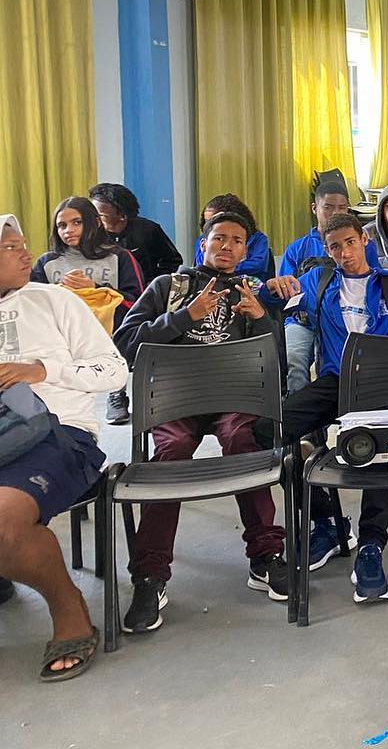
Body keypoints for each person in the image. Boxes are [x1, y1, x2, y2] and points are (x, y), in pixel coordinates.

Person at [111, 212, 289, 632]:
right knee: (170, 454)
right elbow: (125, 343)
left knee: (244, 440)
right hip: (176, 398)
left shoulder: (249, 292)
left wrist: (261, 320)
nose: (227, 246)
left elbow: (276, 362)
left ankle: (265, 556)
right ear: (202, 244)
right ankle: (150, 575)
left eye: (237, 241)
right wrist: (184, 318)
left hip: (232, 397)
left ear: (247, 251)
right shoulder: (168, 287)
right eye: (219, 238)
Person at [0, 214, 126, 681]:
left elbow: (115, 373)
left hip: (59, 435)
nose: (24, 252)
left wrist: (42, 371)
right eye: (10, 247)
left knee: (3, 520)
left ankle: (69, 609)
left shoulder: (55, 300)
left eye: (23, 243)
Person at [281, 213, 388, 603]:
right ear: (327, 250)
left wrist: (369, 368)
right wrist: (274, 287)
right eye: (335, 247)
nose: (344, 252)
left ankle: (371, 546)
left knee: (378, 453)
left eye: (350, 243)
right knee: (272, 430)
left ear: (365, 241)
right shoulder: (319, 281)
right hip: (333, 382)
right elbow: (276, 299)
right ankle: (327, 522)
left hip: (380, 382)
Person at [260, 180, 377, 396]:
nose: (335, 213)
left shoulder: (364, 245)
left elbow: (373, 286)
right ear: (315, 209)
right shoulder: (298, 248)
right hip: (303, 321)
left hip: (346, 318)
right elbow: (283, 294)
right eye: (328, 207)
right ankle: (303, 416)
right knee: (294, 361)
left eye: (342, 208)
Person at [32, 196, 144, 318]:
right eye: (62, 225)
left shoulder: (120, 257)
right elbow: (33, 306)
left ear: (97, 222)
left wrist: (95, 289)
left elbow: (138, 305)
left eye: (77, 222)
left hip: (109, 334)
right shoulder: (46, 262)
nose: (68, 230)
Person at [88, 182, 183, 286]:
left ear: (122, 215)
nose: (94, 219)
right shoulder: (91, 234)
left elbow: (173, 261)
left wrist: (155, 284)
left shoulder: (148, 230)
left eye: (100, 215)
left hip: (144, 293)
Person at [192, 194, 273, 278]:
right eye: (207, 221)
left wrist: (229, 265)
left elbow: (257, 265)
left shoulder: (258, 239)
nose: (210, 224)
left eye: (218, 219)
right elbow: (202, 265)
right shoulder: (204, 240)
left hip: (251, 285)